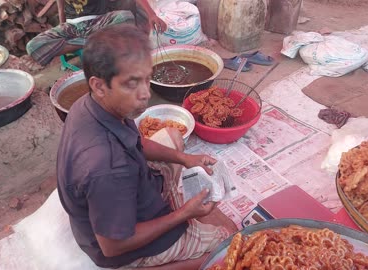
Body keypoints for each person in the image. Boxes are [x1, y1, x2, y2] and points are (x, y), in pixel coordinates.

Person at [57, 24, 236, 269]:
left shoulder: (91, 104)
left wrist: (185, 160)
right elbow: (112, 246)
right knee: (228, 243)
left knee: (173, 136)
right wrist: (184, 213)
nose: (145, 94)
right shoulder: (107, 167)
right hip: (120, 246)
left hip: (127, 194)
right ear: (99, 86)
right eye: (132, 84)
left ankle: (167, 200)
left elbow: (136, 140)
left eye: (147, 79)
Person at [26, 0, 166, 66]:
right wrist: (63, 26)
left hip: (98, 23)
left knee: (126, 17)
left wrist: (151, 14)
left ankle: (90, 41)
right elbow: (60, 7)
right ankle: (91, 42)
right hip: (72, 27)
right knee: (33, 46)